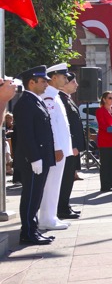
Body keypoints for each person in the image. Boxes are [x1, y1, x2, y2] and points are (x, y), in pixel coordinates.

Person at [12, 67, 56, 246]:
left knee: (36, 195)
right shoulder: (25, 103)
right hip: (33, 159)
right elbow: (26, 135)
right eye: (43, 81)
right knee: (31, 196)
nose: (46, 84)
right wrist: (34, 158)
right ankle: (28, 232)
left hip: (40, 156)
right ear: (32, 82)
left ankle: (33, 229)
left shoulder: (35, 101)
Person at [37, 64, 74, 232]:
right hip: (55, 149)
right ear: (54, 77)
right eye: (63, 77)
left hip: (60, 148)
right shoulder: (48, 96)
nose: (66, 80)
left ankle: (51, 216)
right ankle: (46, 219)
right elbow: (51, 125)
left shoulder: (55, 95)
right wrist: (57, 147)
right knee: (50, 184)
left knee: (55, 183)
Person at [56, 70, 84, 220]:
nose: (76, 84)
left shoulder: (67, 99)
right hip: (68, 148)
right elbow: (65, 127)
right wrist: (72, 145)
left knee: (69, 178)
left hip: (72, 147)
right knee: (65, 178)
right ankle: (62, 208)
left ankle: (65, 206)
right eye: (73, 82)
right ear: (64, 84)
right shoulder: (60, 99)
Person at [95, 91, 112, 192]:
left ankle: (110, 183)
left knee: (111, 163)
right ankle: (104, 185)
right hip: (105, 140)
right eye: (110, 98)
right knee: (105, 163)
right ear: (104, 99)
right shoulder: (100, 111)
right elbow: (102, 125)